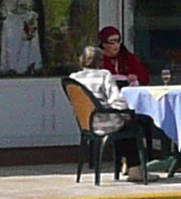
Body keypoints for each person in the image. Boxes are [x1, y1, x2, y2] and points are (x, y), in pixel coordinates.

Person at [68, 45, 163, 179]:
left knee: (121, 125)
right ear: (101, 61)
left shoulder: (73, 78)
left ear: (82, 61)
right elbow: (117, 101)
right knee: (130, 125)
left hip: (87, 124)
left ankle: (124, 165)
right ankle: (135, 169)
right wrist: (125, 113)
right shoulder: (104, 75)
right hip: (105, 121)